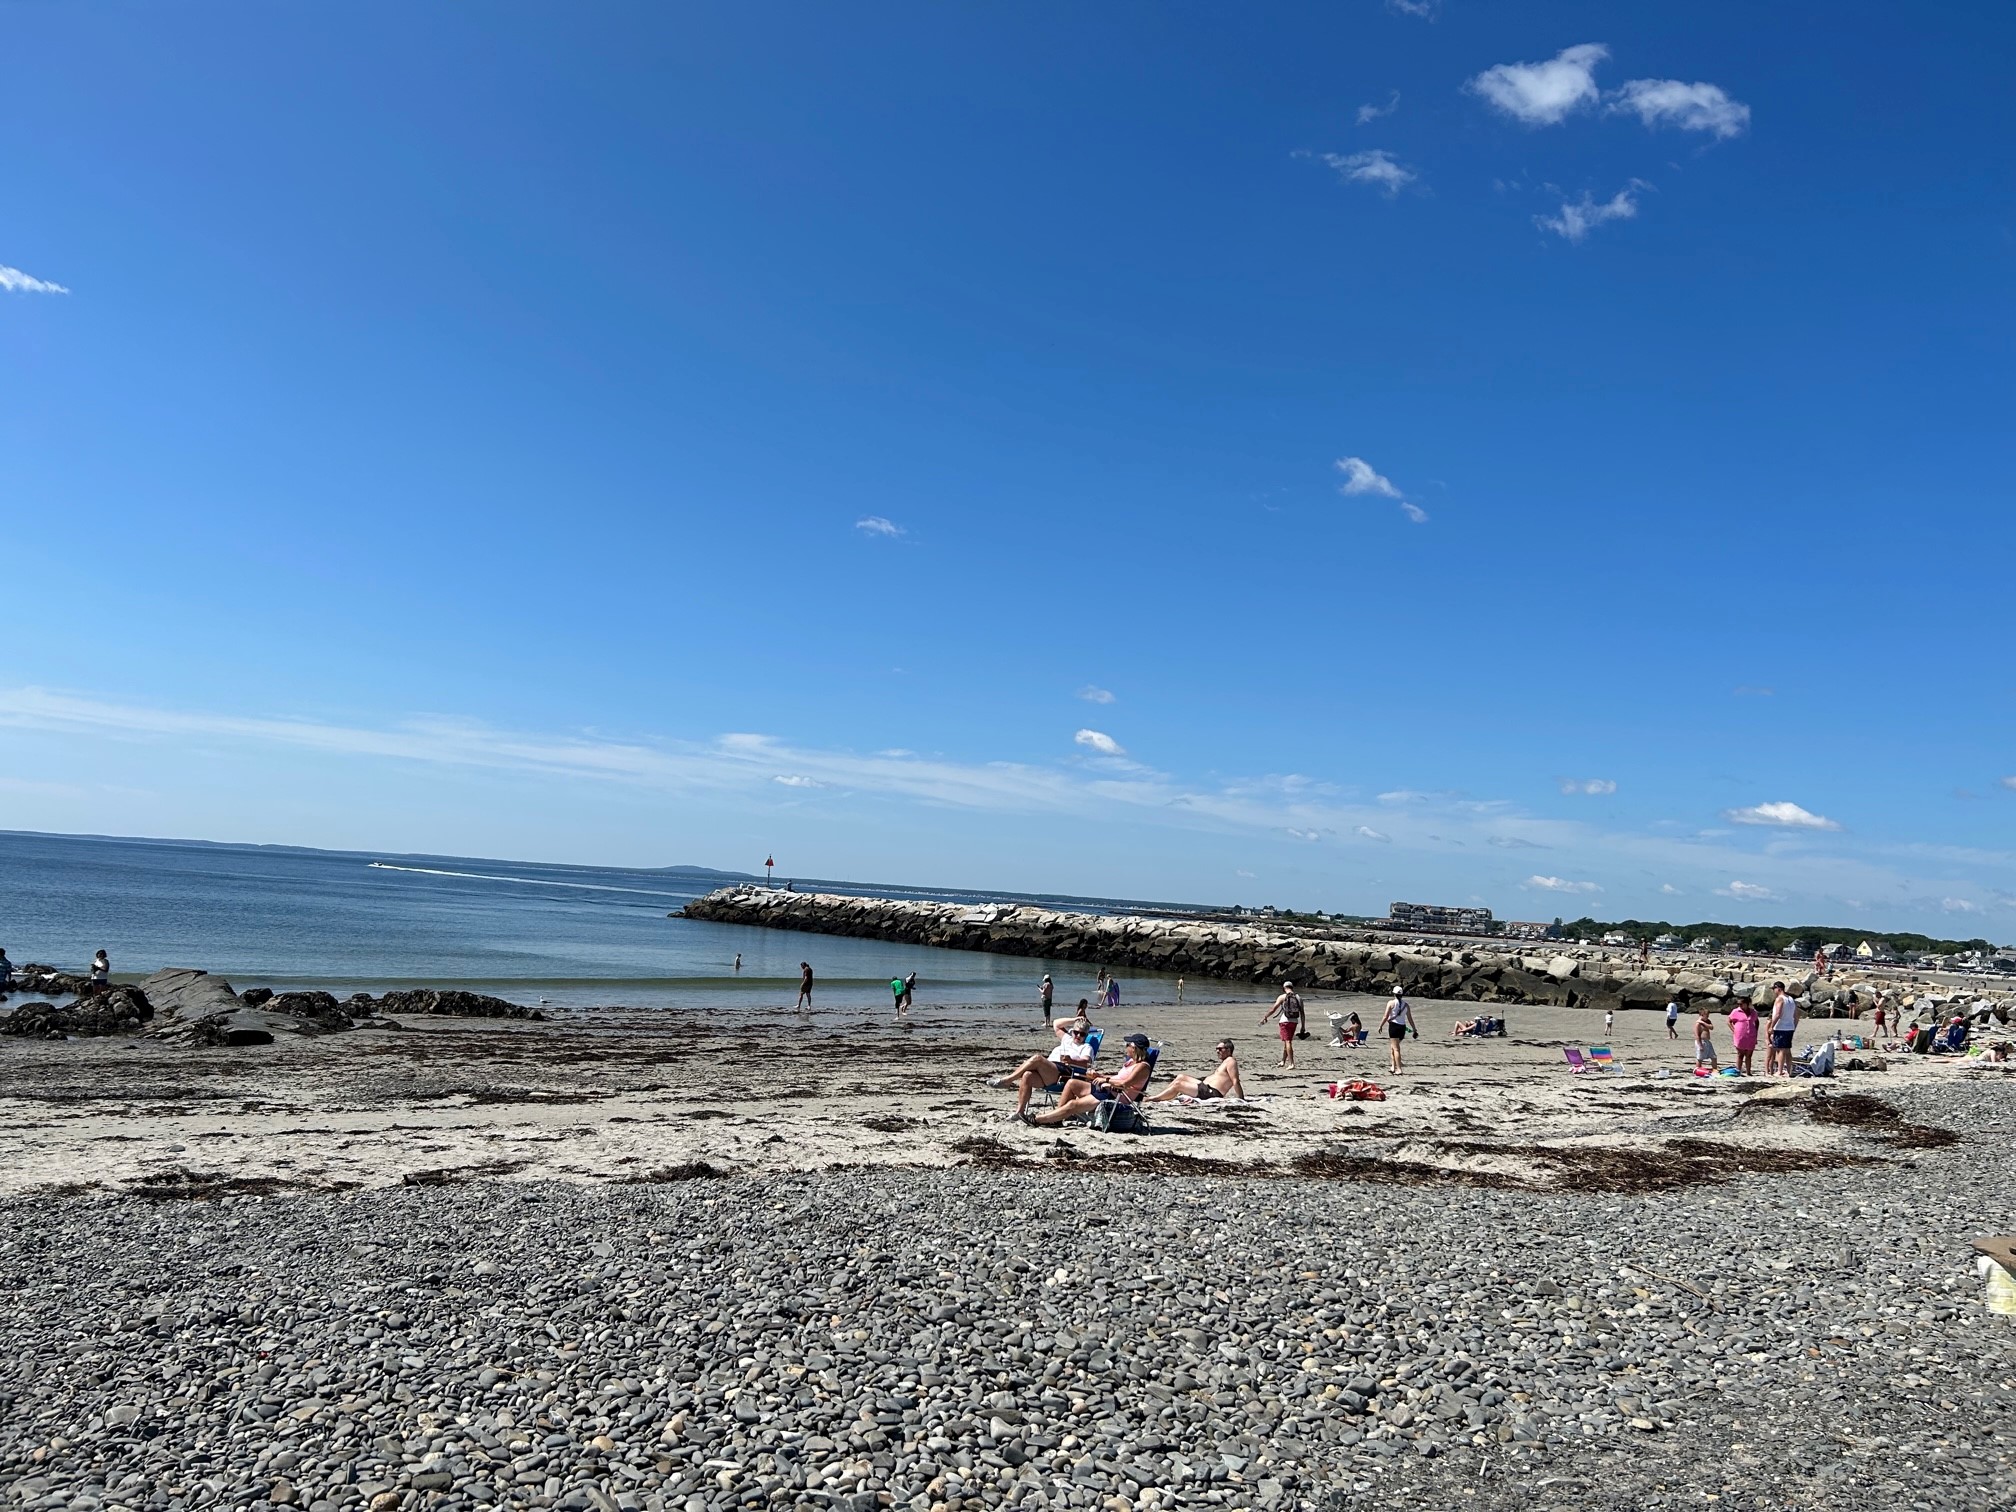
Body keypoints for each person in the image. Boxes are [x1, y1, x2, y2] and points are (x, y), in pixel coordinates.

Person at [1028, 1038, 1153, 1126]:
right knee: (1072, 1083)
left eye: (1128, 1045)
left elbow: (1124, 1084)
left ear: (1135, 1048)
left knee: (1073, 1104)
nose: (1125, 1047)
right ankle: (1057, 1117)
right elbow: (1119, 1077)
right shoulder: (1132, 1062)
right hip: (1108, 1089)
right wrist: (1098, 1075)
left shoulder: (1143, 1067)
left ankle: (1040, 1119)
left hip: (1117, 1095)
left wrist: (1105, 1080)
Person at [992, 1021, 1096, 1117]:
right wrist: (1075, 1019)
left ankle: (1008, 1081)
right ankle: (1019, 1112)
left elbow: (1086, 1062)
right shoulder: (1067, 1039)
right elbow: (1056, 1023)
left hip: (1062, 1073)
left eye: (1082, 1034)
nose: (1078, 1036)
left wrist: (1071, 1061)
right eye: (1076, 1032)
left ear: (1086, 1036)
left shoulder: (1086, 1047)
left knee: (1037, 1058)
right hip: (1049, 1071)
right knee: (1027, 1075)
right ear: (1072, 1031)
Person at [1149, 1039, 1244, 1102]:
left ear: (1228, 1050)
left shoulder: (1231, 1061)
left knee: (1178, 1085)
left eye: (1220, 1049)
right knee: (1181, 1077)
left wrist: (1241, 1099)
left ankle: (1156, 1098)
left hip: (1212, 1093)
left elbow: (1235, 1081)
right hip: (1206, 1088)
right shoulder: (1225, 1062)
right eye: (1216, 1049)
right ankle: (1163, 1095)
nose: (1217, 1051)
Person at [1260, 981, 1305, 1069]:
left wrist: (1265, 1017)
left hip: (1285, 1021)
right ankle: (1283, 1061)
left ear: (1284, 988)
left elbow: (1273, 1009)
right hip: (1294, 1021)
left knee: (1287, 1042)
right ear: (1292, 987)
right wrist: (1303, 1026)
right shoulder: (1298, 997)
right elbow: (1302, 1013)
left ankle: (1291, 1063)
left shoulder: (1282, 997)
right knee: (1287, 1042)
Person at [1378, 987, 1415, 1074]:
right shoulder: (1406, 1005)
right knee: (1393, 1047)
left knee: (1396, 1049)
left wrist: (1380, 1025)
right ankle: (1393, 1067)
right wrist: (1414, 1028)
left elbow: (1385, 1016)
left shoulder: (1391, 1003)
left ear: (1394, 994)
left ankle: (1399, 1069)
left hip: (1394, 1027)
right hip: (1402, 1028)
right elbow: (1410, 1018)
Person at [1767, 982, 1798, 1076]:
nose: (1773, 991)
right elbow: (1796, 1015)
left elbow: (1778, 1014)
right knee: (1787, 1050)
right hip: (1790, 1027)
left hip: (1781, 1027)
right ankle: (1789, 1071)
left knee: (1780, 1050)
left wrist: (1772, 1026)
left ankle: (1779, 1071)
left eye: (1774, 989)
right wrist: (1794, 1026)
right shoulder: (1791, 999)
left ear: (1778, 989)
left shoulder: (1780, 999)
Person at [1729, 997, 1759, 1075]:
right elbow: (1729, 1021)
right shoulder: (1736, 1011)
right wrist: (1734, 1030)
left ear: (1747, 1004)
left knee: (1749, 1054)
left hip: (1751, 1035)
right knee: (1740, 1054)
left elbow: (1756, 1022)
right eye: (1738, 1004)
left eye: (1741, 1004)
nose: (1740, 1005)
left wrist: (1756, 1032)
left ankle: (1748, 1072)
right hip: (1739, 1035)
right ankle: (1738, 1071)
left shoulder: (1753, 1012)